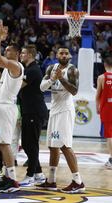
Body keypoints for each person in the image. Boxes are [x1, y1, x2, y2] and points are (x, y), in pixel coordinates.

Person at [37, 46, 85, 193]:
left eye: (66, 53)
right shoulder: (51, 67)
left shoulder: (72, 70)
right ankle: (51, 180)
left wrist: (61, 78)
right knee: (53, 146)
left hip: (65, 109)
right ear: (56, 55)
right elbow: (42, 87)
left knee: (65, 145)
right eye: (61, 53)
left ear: (69, 55)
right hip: (54, 109)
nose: (63, 55)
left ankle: (78, 182)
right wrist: (52, 78)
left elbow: (74, 91)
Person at [0, 20, 23, 193]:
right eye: (5, 48)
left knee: (5, 143)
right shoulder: (8, 69)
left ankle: (13, 180)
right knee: (1, 144)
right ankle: (8, 176)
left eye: (8, 50)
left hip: (7, 108)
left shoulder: (15, 65)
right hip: (1, 107)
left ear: (16, 53)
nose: (5, 51)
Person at [18, 45, 47, 186]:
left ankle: (30, 175)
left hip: (35, 111)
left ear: (30, 55)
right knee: (26, 143)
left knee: (31, 144)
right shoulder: (29, 69)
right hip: (29, 111)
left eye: (23, 53)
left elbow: (17, 87)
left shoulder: (33, 70)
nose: (21, 55)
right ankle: (39, 173)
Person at [96, 56, 112, 170]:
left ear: (105, 65)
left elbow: (97, 95)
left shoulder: (101, 77)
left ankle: (111, 160)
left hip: (106, 109)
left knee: (109, 135)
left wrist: (97, 107)